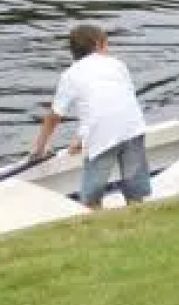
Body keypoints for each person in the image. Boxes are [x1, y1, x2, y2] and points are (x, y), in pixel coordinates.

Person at [29, 24, 151, 209]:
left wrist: (39, 150)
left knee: (91, 194)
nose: (108, 49)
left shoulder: (70, 75)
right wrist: (81, 137)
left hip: (102, 135)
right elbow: (117, 101)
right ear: (97, 45)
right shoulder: (117, 64)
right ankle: (137, 210)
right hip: (133, 127)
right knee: (135, 188)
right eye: (106, 44)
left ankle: (95, 214)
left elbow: (54, 117)